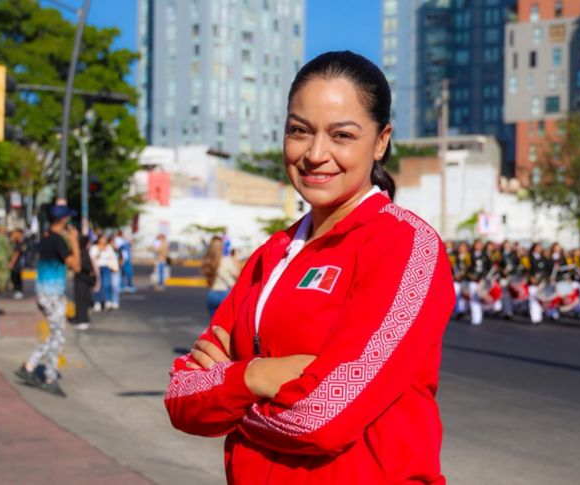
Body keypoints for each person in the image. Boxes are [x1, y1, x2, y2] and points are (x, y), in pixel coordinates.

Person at [164, 51, 455, 484]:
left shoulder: (405, 246)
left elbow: (322, 418)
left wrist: (226, 391)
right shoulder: (272, 253)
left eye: (342, 135)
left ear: (380, 141)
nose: (316, 154)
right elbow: (180, 399)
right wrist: (259, 375)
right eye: (300, 131)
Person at [14, 205, 80, 397]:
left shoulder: (44, 238)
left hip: (43, 292)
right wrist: (74, 242)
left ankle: (29, 366)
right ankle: (49, 378)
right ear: (63, 220)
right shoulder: (59, 241)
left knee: (55, 335)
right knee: (58, 336)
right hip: (53, 295)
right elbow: (75, 266)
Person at [201, 236, 240, 318]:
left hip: (212, 294)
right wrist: (235, 259)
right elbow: (238, 276)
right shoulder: (227, 260)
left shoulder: (208, 261)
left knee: (214, 326)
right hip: (226, 294)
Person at [71, 235, 96, 330]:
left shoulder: (82, 252)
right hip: (82, 280)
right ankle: (81, 319)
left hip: (82, 280)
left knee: (82, 301)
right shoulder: (83, 252)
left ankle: (82, 320)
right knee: (81, 301)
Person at [90, 233, 119, 311]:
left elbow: (112, 257)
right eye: (102, 239)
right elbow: (93, 257)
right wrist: (100, 252)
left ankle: (107, 300)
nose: (103, 240)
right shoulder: (94, 247)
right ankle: (97, 302)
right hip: (97, 268)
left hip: (106, 267)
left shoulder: (108, 248)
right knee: (97, 285)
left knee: (106, 284)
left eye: (104, 239)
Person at [9, 228, 27, 299]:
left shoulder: (20, 242)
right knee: (16, 276)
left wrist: (12, 263)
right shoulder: (18, 241)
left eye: (15, 233)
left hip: (17, 263)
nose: (14, 235)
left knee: (15, 276)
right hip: (19, 262)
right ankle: (17, 291)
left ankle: (18, 291)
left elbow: (16, 253)